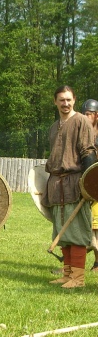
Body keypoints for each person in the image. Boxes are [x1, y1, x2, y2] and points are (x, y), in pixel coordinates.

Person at [41, 86, 96, 288]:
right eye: (61, 100)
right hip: (57, 184)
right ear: (55, 102)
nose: (66, 104)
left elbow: (88, 152)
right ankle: (67, 274)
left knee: (77, 231)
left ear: (74, 99)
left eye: (69, 100)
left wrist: (89, 185)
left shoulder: (81, 121)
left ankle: (78, 278)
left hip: (75, 183)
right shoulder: (54, 126)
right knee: (62, 232)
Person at [81, 99, 98, 271]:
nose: (85, 118)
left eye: (88, 115)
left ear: (96, 116)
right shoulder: (82, 134)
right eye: (83, 115)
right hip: (84, 184)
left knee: (96, 226)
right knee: (84, 224)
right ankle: (71, 263)